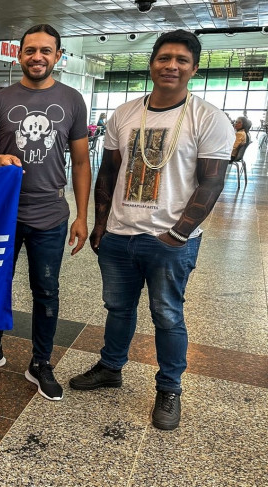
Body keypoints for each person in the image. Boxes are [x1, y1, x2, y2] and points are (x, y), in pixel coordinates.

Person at [69, 30, 234, 431]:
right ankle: (110, 368)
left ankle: (169, 387)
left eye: (180, 60)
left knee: (167, 315)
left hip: (170, 242)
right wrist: (101, 224)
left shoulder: (208, 117)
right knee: (118, 308)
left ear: (193, 68)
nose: (171, 66)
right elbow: (108, 172)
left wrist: (178, 235)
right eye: (164, 58)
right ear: (152, 63)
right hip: (120, 236)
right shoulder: (124, 113)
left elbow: (211, 182)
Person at [0, 24, 91, 402]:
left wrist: (82, 216)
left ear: (58, 56)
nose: (38, 57)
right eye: (30, 50)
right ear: (19, 55)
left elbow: (83, 163)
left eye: (46, 51)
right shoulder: (0, 100)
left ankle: (41, 362)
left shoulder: (71, 100)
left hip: (51, 213)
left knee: (47, 291)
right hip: (3, 213)